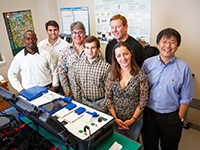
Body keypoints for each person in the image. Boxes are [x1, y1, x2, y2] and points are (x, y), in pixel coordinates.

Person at [141, 28, 193, 150]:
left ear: (177, 46)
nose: (168, 45)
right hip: (149, 115)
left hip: (171, 117)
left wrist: (178, 118)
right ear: (158, 45)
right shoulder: (147, 64)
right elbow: (142, 89)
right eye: (164, 41)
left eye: (172, 42)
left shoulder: (184, 68)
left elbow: (186, 97)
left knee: (170, 147)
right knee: (149, 146)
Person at [105, 42, 148, 140]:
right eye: (118, 56)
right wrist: (115, 118)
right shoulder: (111, 74)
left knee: (132, 145)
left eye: (125, 54)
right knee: (117, 144)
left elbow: (143, 100)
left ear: (131, 53)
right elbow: (108, 97)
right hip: (115, 119)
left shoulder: (140, 75)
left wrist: (132, 119)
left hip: (135, 121)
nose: (123, 58)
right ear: (115, 58)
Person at [58, 21, 102, 98]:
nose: (77, 35)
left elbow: (101, 70)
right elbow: (62, 72)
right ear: (71, 35)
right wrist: (66, 90)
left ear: (85, 34)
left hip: (93, 93)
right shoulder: (65, 52)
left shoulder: (93, 50)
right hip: (74, 92)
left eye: (80, 32)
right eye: (74, 32)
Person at [74, 36, 111, 110]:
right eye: (87, 48)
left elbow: (109, 90)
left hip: (100, 103)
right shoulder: (78, 66)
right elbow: (77, 87)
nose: (90, 51)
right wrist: (78, 103)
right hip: (84, 102)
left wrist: (104, 107)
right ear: (83, 49)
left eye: (93, 48)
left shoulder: (106, 67)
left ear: (98, 49)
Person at [38, 20, 69, 95]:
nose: (53, 32)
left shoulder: (66, 45)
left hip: (62, 79)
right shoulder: (41, 46)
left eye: (55, 30)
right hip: (48, 80)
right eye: (50, 30)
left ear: (58, 30)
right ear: (46, 31)